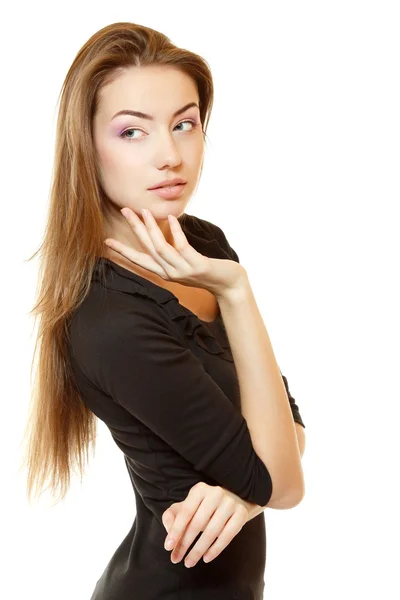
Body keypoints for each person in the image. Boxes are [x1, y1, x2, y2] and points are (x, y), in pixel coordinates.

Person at [21, 21, 306, 599]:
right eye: (133, 132)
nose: (170, 156)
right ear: (87, 143)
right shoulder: (109, 319)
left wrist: (243, 491)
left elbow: (289, 428)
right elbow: (284, 483)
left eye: (185, 124)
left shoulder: (201, 244)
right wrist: (237, 292)